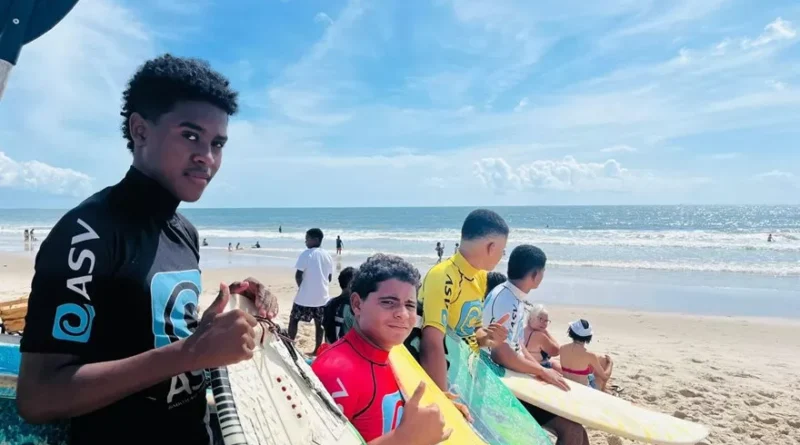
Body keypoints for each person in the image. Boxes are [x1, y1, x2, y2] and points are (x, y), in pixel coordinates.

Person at [16, 54, 278, 444]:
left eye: (217, 143)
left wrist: (221, 318)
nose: (207, 157)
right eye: (190, 135)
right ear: (140, 130)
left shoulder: (184, 231)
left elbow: (154, 336)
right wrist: (191, 352)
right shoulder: (86, 234)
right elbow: (38, 396)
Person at [313, 254, 451, 444]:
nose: (403, 314)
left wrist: (442, 406)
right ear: (357, 304)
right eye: (388, 302)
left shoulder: (395, 356)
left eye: (410, 305)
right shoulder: (335, 371)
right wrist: (403, 439)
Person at [482, 244, 588, 445]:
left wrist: (540, 370)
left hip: (516, 374)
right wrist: (541, 371)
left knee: (579, 430)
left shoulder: (513, 297)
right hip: (502, 383)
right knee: (572, 430)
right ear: (535, 274)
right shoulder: (506, 300)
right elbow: (501, 354)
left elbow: (518, 345)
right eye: (543, 271)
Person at [415, 209, 510, 391]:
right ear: (491, 247)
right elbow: (432, 342)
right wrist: (442, 396)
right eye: (502, 250)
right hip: (443, 377)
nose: (502, 256)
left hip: (465, 374)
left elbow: (472, 331)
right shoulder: (442, 276)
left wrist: (488, 337)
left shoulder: (480, 277)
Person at [291, 228, 333, 355]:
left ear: (316, 240)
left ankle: (290, 345)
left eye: (307, 239)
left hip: (304, 297)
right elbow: (329, 277)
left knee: (294, 319)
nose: (305, 241)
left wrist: (302, 288)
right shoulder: (328, 256)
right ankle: (316, 350)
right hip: (322, 297)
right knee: (319, 324)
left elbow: (298, 275)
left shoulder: (306, 254)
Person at [559, 319, 614, 392]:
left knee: (591, 366)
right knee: (604, 363)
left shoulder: (562, 348)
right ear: (588, 337)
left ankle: (603, 388)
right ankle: (603, 390)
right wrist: (610, 363)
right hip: (583, 390)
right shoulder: (589, 355)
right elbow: (605, 377)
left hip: (567, 384)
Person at [522, 304, 562, 374]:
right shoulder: (539, 336)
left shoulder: (522, 331)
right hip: (538, 367)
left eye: (546, 321)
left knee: (555, 363)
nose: (543, 323)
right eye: (540, 319)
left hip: (525, 364)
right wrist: (546, 332)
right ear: (531, 318)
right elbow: (557, 351)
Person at [323, 266, 356, 343]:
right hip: (347, 347)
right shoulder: (353, 309)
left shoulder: (329, 304)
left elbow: (326, 332)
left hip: (332, 346)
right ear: (351, 285)